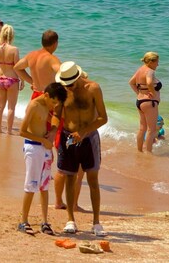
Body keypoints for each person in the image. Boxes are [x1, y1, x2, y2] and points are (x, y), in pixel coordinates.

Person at [55, 62, 109, 237]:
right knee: (70, 178)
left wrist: (84, 132)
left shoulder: (93, 89)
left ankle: (96, 222)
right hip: (68, 137)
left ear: (78, 77)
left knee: (93, 179)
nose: (68, 87)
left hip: (89, 138)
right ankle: (70, 220)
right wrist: (50, 134)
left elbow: (103, 117)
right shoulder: (62, 90)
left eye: (70, 83)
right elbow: (56, 114)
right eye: (66, 84)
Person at [18, 83, 68, 236]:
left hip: (45, 148)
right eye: (53, 102)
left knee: (44, 186)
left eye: (56, 104)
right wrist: (42, 141)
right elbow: (22, 131)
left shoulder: (47, 105)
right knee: (31, 185)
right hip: (33, 147)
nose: (54, 106)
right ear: (47, 95)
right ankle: (23, 221)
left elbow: (54, 119)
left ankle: (45, 222)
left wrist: (52, 132)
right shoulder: (34, 105)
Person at [0, 25, 31, 135]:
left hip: (0, 78)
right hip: (12, 80)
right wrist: (23, 80)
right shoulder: (14, 49)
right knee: (11, 107)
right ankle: (9, 130)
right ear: (12, 35)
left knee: (0, 106)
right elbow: (17, 67)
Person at [128, 52, 162, 153]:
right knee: (151, 130)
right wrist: (152, 93)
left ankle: (139, 151)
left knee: (142, 128)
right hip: (149, 103)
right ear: (151, 62)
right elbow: (149, 82)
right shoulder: (150, 71)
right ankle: (148, 154)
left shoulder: (140, 70)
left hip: (140, 101)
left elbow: (131, 82)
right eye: (157, 62)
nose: (158, 65)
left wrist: (139, 93)